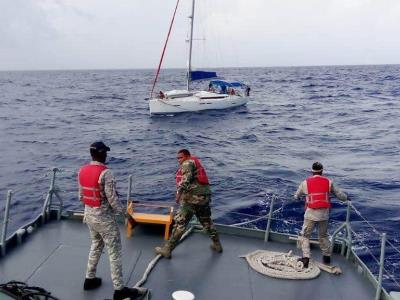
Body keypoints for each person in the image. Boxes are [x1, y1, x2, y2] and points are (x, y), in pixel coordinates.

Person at [78, 141, 147, 300]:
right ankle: (119, 290)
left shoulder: (82, 170)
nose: (107, 155)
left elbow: (81, 196)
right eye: (105, 152)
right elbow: (114, 201)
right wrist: (127, 215)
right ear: (102, 154)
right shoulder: (106, 173)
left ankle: (89, 279)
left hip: (89, 216)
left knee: (96, 245)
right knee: (114, 252)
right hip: (104, 220)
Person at [155, 149, 223, 258]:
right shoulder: (195, 163)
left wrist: (178, 193)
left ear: (187, 156)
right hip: (204, 198)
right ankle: (217, 245)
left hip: (192, 199)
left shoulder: (187, 163)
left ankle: (167, 249)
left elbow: (186, 178)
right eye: (178, 158)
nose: (179, 160)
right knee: (207, 222)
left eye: (181, 157)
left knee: (180, 224)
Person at [294, 162, 348, 268]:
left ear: (312, 171)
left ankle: (306, 258)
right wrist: (346, 198)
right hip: (324, 214)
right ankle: (326, 256)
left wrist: (297, 197)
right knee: (323, 236)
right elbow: (340, 195)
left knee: (305, 236)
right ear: (322, 171)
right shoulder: (329, 182)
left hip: (310, 214)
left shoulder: (305, 182)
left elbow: (297, 195)